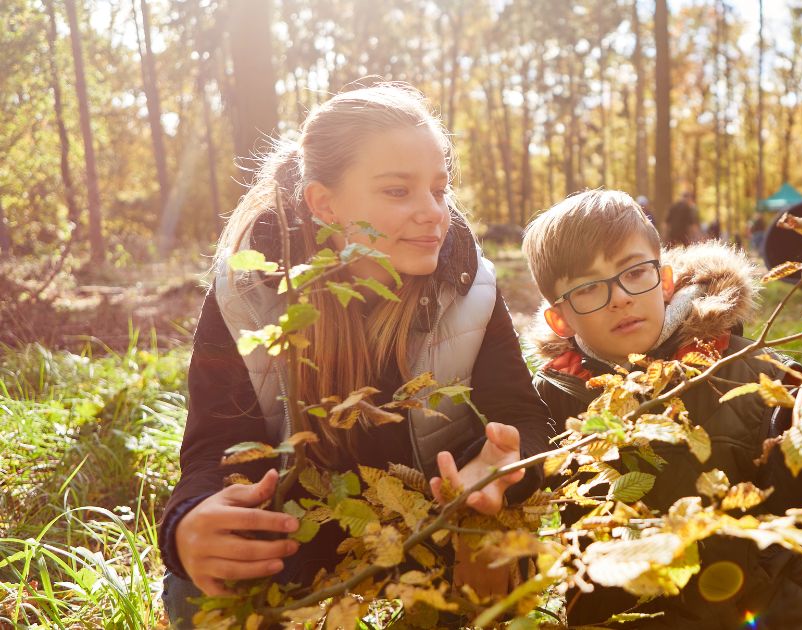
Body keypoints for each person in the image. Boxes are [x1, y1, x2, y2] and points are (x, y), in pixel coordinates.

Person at [158, 83, 555, 627]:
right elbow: (215, 450)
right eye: (398, 191)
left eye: (439, 190)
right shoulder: (249, 294)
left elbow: (523, 417)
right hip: (295, 538)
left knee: (507, 556)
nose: (433, 213)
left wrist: (504, 473)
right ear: (325, 203)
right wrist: (187, 525)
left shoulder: (469, 286)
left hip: (435, 523)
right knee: (202, 585)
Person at [520, 190, 802, 628]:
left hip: (766, 613)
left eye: (634, 272)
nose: (619, 297)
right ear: (560, 319)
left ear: (666, 279)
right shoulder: (549, 402)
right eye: (589, 288)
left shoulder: (757, 375)